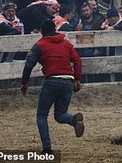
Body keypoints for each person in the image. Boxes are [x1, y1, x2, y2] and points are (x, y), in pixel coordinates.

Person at [21, 18, 84, 155]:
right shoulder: (66, 44)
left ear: (42, 32)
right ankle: (73, 120)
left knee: (41, 115)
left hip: (51, 81)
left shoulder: (40, 44)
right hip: (68, 81)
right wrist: (77, 79)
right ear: (55, 30)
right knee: (60, 115)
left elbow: (28, 65)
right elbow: (77, 60)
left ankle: (47, 148)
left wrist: (24, 83)